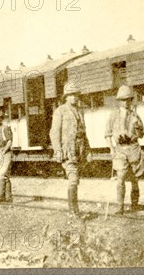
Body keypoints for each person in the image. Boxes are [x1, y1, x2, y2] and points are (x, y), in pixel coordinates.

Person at [50, 80, 92, 218]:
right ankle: (73, 212)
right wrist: (57, 150)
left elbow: (83, 132)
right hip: (68, 150)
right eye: (71, 94)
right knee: (73, 179)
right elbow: (54, 132)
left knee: (76, 180)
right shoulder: (60, 111)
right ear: (65, 97)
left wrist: (89, 150)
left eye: (75, 94)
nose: (74, 97)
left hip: (80, 150)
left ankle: (75, 209)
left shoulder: (80, 111)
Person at [105, 85, 144, 214]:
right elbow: (107, 134)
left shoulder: (135, 115)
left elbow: (142, 135)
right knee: (121, 177)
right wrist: (111, 149)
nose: (126, 102)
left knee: (134, 179)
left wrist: (138, 128)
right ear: (119, 101)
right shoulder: (113, 115)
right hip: (120, 149)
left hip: (133, 148)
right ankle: (120, 207)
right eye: (123, 100)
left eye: (128, 99)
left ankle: (134, 204)